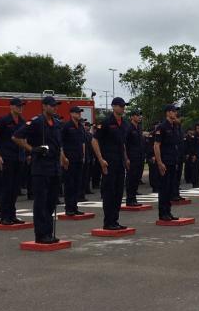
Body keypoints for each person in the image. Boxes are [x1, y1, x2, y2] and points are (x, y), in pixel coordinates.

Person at [13, 96, 67, 244]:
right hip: (41, 168)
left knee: (51, 202)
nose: (55, 108)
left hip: (55, 167)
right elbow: (16, 137)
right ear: (44, 106)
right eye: (52, 105)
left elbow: (59, 144)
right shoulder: (36, 122)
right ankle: (41, 234)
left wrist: (63, 158)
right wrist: (32, 150)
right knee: (41, 202)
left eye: (56, 105)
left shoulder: (56, 123)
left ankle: (48, 232)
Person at [91, 97, 129, 230]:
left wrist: (126, 159)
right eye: (121, 106)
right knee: (109, 192)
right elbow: (94, 141)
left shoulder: (124, 123)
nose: (123, 108)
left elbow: (122, 143)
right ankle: (108, 222)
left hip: (119, 162)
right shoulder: (106, 122)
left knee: (118, 193)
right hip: (108, 162)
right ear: (114, 106)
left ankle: (115, 220)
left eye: (124, 106)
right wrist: (101, 160)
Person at [0, 98, 28, 225]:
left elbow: (24, 139)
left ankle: (12, 215)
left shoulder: (23, 122)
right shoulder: (3, 121)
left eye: (21, 106)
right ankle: (4, 216)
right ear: (11, 107)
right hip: (7, 157)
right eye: (18, 106)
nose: (20, 108)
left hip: (19, 158)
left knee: (15, 188)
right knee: (7, 188)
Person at [153, 104, 181, 221]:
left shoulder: (174, 126)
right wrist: (159, 162)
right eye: (174, 111)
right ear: (168, 113)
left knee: (170, 188)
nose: (175, 113)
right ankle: (162, 213)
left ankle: (168, 211)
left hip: (172, 161)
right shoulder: (162, 127)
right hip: (164, 161)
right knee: (164, 188)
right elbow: (156, 145)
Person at [60, 106, 86, 216]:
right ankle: (69, 208)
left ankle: (75, 207)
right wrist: (63, 158)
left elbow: (82, 142)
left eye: (80, 112)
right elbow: (60, 143)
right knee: (69, 184)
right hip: (69, 159)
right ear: (71, 114)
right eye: (77, 112)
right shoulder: (66, 126)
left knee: (77, 184)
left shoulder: (80, 126)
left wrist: (83, 155)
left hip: (79, 158)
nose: (79, 114)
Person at [125, 109, 146, 206]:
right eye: (137, 115)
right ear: (132, 117)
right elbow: (124, 144)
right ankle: (130, 199)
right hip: (132, 157)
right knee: (131, 178)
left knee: (137, 177)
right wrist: (126, 158)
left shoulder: (139, 128)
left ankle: (134, 197)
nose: (139, 117)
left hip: (140, 156)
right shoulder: (128, 128)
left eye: (140, 115)